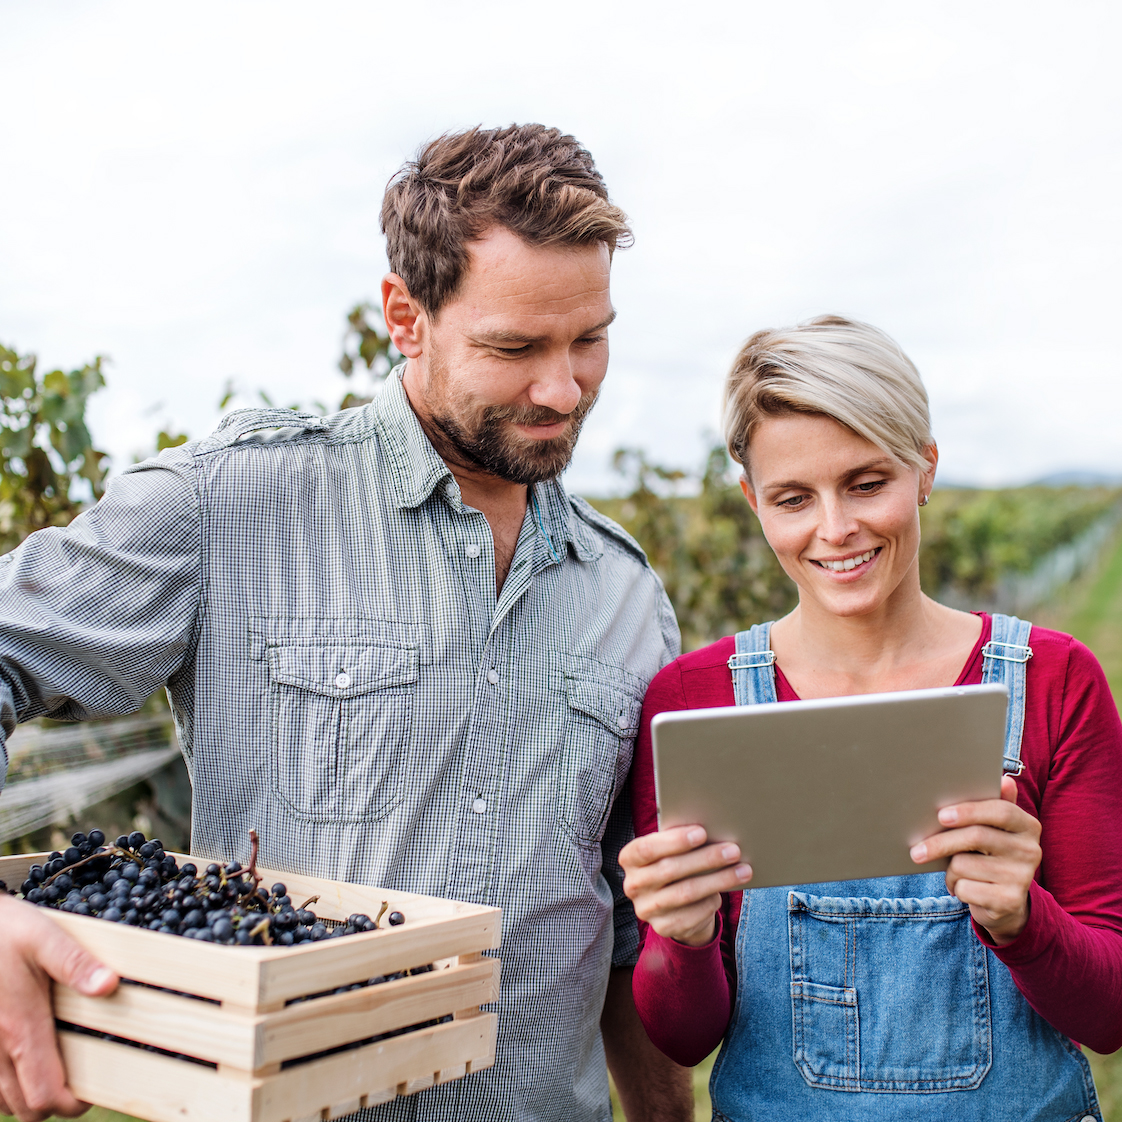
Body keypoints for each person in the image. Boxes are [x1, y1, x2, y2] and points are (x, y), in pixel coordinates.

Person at [0, 125, 694, 1122]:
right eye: (514, 347)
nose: (563, 388)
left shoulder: (625, 593)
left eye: (589, 338)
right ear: (403, 317)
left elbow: (625, 931)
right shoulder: (231, 505)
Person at [620, 315, 1122, 1121]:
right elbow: (685, 1038)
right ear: (753, 503)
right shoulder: (693, 702)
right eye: (793, 498)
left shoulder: (1056, 683)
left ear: (924, 467)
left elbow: (1109, 1016)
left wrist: (1026, 921)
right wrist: (680, 941)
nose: (836, 528)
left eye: (865, 482)